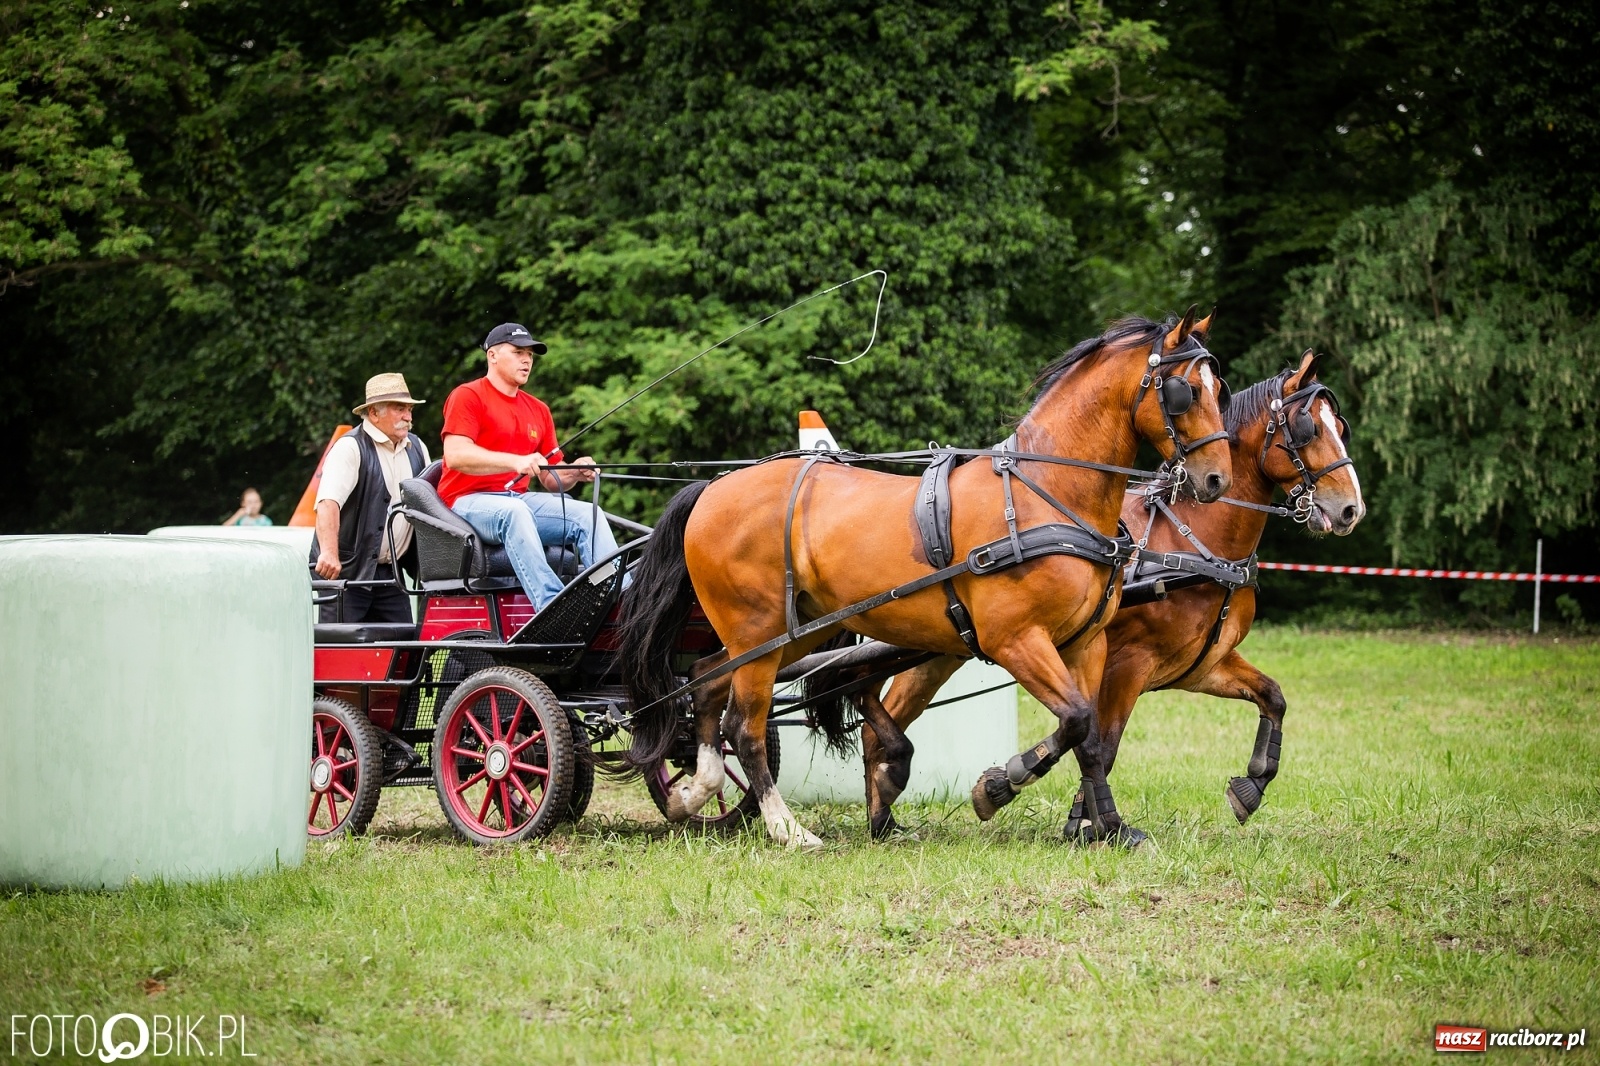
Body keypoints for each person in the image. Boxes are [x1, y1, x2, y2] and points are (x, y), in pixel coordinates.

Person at [438, 323, 620, 611]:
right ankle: (554, 606)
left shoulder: (538, 409)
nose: (526, 360)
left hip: (517, 500)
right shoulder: (468, 395)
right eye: (518, 352)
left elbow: (551, 478)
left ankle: (618, 599)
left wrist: (574, 470)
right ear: (493, 356)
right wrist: (515, 461)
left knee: (589, 514)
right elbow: (456, 455)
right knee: (516, 512)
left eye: (530, 355)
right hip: (466, 504)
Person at [310, 373, 430, 624]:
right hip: (346, 574)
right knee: (341, 653)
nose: (408, 416)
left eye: (409, 409)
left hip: (391, 574)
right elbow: (327, 503)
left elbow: (429, 506)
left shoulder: (417, 447)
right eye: (400, 409)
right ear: (374, 413)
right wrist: (329, 553)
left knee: (402, 651)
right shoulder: (350, 447)